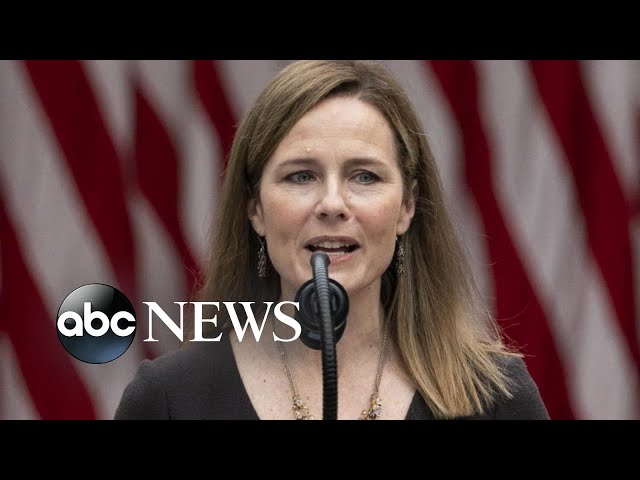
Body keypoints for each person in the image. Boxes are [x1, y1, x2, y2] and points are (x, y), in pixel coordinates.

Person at [114, 60, 549, 420]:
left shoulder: (496, 398)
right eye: (301, 176)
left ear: (407, 207)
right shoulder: (167, 400)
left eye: (365, 176)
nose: (332, 204)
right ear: (255, 209)